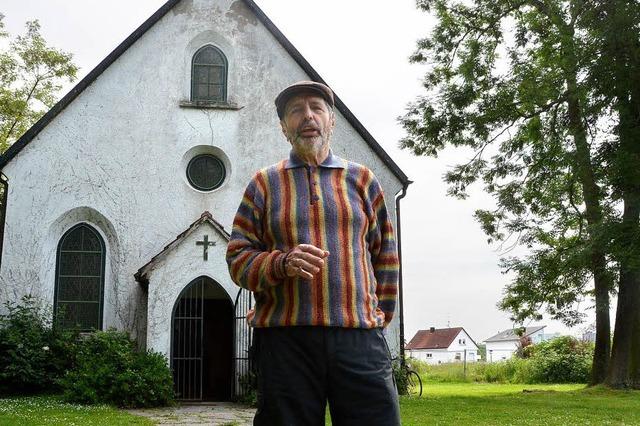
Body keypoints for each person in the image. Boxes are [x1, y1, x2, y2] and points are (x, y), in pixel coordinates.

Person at [226, 80, 400, 426]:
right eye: (296, 111)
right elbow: (237, 259)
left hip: (359, 341)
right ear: (283, 126)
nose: (307, 116)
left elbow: (387, 260)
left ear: (331, 121)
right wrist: (282, 262)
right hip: (286, 344)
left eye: (316, 108)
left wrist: (375, 320)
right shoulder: (263, 184)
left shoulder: (363, 181)